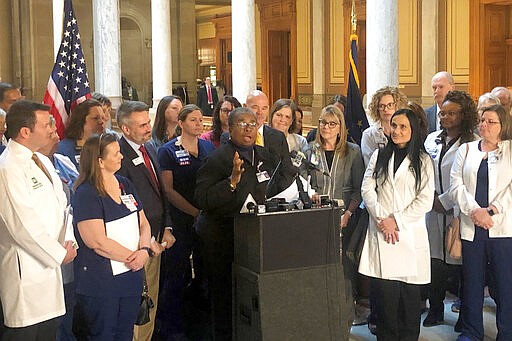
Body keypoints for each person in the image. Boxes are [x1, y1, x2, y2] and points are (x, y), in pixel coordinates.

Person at [194, 107, 294, 340]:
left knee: (250, 295)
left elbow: (277, 186)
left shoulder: (265, 156)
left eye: (253, 123)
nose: (249, 128)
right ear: (230, 127)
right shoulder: (217, 159)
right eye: (242, 124)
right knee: (224, 298)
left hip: (253, 238)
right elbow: (202, 198)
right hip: (221, 239)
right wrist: (231, 182)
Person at [0, 100, 77, 340]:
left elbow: (64, 206)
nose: (53, 129)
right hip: (26, 273)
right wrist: (58, 253)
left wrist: (69, 241)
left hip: (52, 270)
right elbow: (21, 224)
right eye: (46, 124)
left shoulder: (42, 160)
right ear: (25, 132)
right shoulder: (7, 167)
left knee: (48, 332)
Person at [359, 108, 435, 340]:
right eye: (394, 126)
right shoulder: (379, 156)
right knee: (385, 302)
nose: (397, 131)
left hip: (407, 236)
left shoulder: (423, 160)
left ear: (413, 130)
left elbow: (425, 200)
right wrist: (383, 219)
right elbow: (367, 189)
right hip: (383, 234)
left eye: (403, 127)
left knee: (409, 304)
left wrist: (396, 221)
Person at [72, 133, 152, 340]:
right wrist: (133, 257)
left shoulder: (125, 183)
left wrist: (143, 251)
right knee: (104, 335)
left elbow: (143, 222)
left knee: (124, 334)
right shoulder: (86, 193)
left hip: (131, 277)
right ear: (99, 161)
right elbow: (97, 241)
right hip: (102, 283)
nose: (121, 157)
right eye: (116, 153)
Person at [450, 104, 512, 341]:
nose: (484, 125)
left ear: (502, 125)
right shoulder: (466, 150)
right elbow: (457, 184)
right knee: (472, 282)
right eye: (483, 120)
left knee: (505, 283)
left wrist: (492, 211)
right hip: (472, 226)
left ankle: (506, 332)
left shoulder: (510, 150)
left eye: (491, 121)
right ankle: (471, 331)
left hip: (503, 228)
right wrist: (476, 211)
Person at [115, 101, 175, 340]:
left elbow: (161, 193)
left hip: (158, 240)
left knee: (152, 303)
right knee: (138, 308)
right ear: (126, 129)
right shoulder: (118, 155)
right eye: (142, 125)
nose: (148, 128)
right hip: (137, 244)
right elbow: (125, 205)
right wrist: (146, 240)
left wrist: (167, 228)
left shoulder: (149, 148)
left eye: (148, 122)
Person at [156, 104, 215, 339]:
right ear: (181, 123)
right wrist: (194, 212)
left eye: (201, 120)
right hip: (181, 219)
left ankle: (200, 322)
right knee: (177, 273)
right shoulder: (168, 151)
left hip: (207, 221)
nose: (199, 124)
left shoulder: (208, 147)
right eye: (193, 120)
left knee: (204, 271)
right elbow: (168, 190)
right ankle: (171, 326)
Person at [304, 104, 364, 332]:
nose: (326, 127)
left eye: (332, 123)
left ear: (340, 127)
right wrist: (311, 195)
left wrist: (348, 213)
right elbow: (302, 182)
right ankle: (321, 318)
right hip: (316, 220)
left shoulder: (353, 151)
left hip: (345, 219)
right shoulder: (309, 151)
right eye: (322, 123)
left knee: (344, 271)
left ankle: (345, 321)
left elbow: (359, 189)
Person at [423, 90, 479, 328]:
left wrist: (446, 201)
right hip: (432, 208)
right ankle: (435, 310)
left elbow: (469, 180)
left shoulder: (473, 144)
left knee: (460, 265)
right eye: (443, 113)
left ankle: (464, 316)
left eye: (451, 113)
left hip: (459, 211)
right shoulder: (431, 139)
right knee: (435, 261)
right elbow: (425, 173)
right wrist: (432, 199)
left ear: (463, 115)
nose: (444, 117)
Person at [362, 86, 408, 166]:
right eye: (381, 106)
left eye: (390, 105)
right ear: (376, 109)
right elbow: (369, 164)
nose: (386, 109)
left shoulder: (406, 130)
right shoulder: (369, 134)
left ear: (398, 106)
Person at [57, 98, 106, 168]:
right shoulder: (63, 149)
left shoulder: (106, 147)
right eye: (95, 118)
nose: (101, 122)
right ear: (81, 120)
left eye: (103, 118)